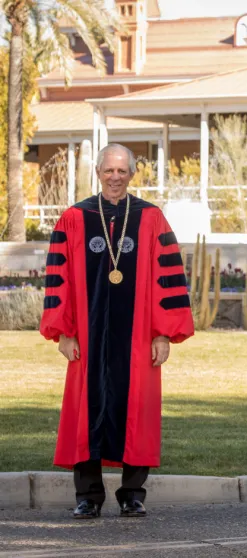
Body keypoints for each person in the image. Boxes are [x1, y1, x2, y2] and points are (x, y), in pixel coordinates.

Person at [40, 143, 194, 519]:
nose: (115, 177)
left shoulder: (151, 218)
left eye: (122, 170)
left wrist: (163, 333)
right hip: (87, 338)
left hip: (139, 336)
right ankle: (88, 496)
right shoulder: (75, 218)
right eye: (109, 170)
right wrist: (64, 331)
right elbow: (57, 278)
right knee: (84, 410)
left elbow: (167, 279)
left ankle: (133, 494)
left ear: (132, 173)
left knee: (136, 408)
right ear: (98, 171)